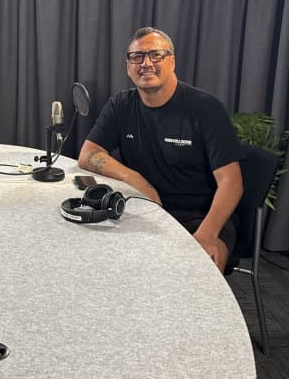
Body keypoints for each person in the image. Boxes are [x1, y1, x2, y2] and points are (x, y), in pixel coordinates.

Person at [77, 27, 243, 273]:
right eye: (137, 57)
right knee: (93, 255)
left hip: (200, 216)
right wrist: (135, 179)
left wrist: (208, 234)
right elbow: (88, 154)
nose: (146, 63)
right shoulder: (121, 105)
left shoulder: (205, 108)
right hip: (143, 207)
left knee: (190, 273)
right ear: (128, 66)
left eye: (156, 55)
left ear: (172, 61)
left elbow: (232, 181)